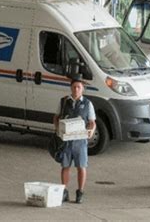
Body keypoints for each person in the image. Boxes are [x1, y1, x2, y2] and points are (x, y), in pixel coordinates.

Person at [53, 75, 96, 204]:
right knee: (65, 166)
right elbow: (56, 117)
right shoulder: (64, 101)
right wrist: (58, 129)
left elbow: (92, 121)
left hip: (80, 141)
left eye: (79, 87)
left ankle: (80, 192)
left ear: (82, 89)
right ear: (71, 88)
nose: (76, 89)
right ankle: (64, 191)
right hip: (66, 140)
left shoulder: (88, 104)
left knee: (81, 166)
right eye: (74, 87)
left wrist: (91, 131)